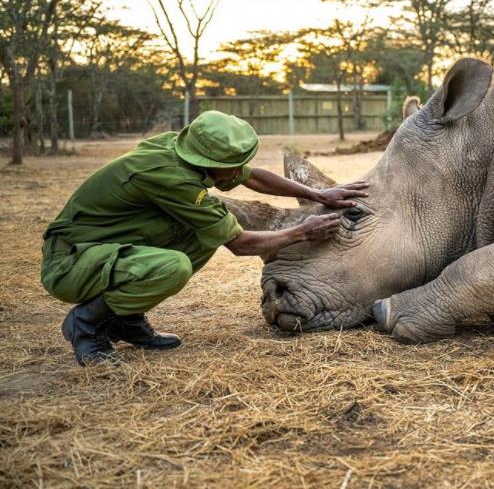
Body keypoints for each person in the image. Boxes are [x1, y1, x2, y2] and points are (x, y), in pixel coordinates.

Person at [41, 110, 368, 366]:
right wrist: (302, 233)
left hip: (105, 244)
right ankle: (86, 324)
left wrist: (316, 193)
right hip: (72, 261)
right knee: (175, 266)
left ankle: (125, 318)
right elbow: (240, 244)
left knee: (203, 236)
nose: (240, 170)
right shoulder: (174, 180)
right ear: (211, 163)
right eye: (234, 165)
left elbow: (251, 177)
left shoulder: (182, 147)